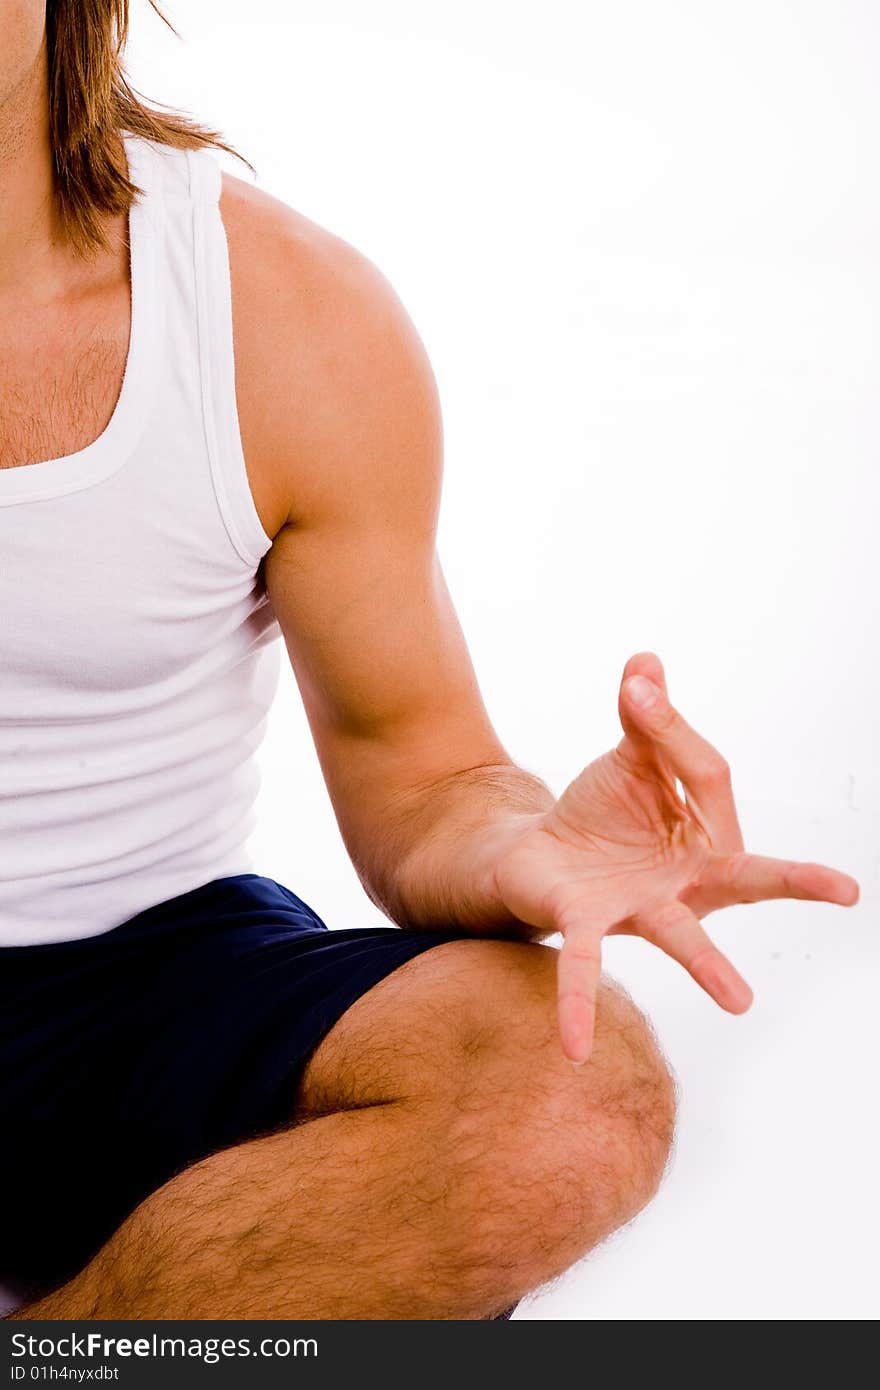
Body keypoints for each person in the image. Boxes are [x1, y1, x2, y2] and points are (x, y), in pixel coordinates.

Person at [0, 1, 859, 1321]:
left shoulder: (281, 317)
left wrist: (524, 844)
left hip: (149, 976)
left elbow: (422, 770)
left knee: (573, 1088)